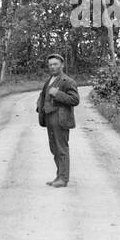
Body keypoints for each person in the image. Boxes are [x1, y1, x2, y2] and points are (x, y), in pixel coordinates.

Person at [36, 53, 79, 187]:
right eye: (50, 64)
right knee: (54, 149)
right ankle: (58, 176)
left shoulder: (68, 81)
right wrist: (39, 106)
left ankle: (63, 179)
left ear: (62, 65)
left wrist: (57, 94)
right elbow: (43, 95)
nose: (52, 67)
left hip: (60, 119)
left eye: (55, 64)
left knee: (62, 149)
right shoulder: (49, 80)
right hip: (49, 118)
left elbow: (75, 100)